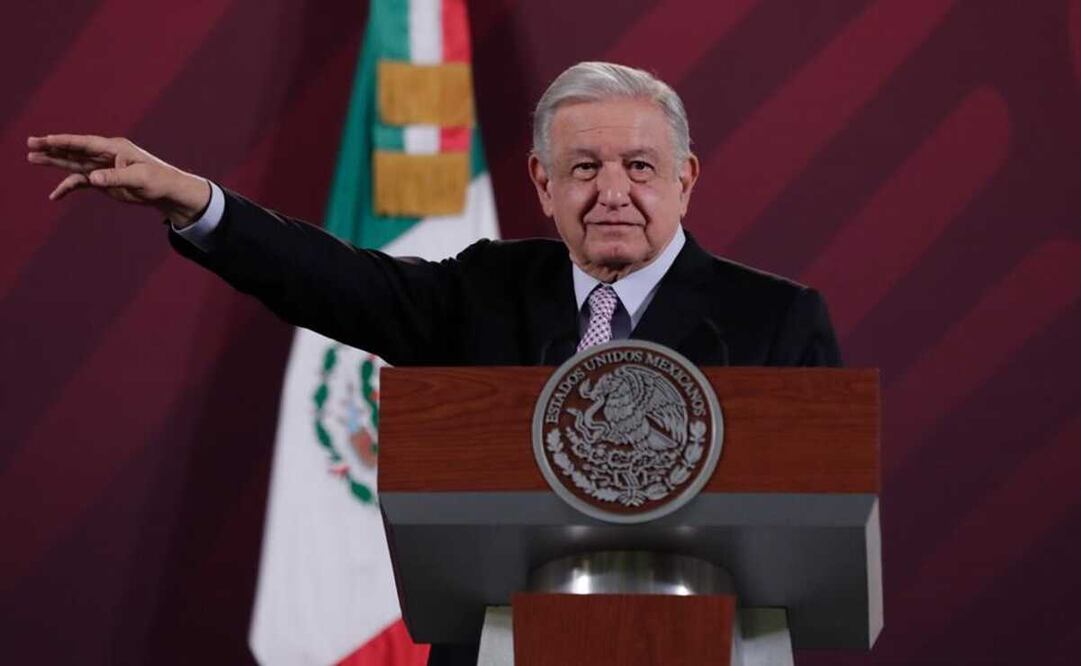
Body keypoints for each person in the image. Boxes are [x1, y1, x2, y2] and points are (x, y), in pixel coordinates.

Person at [27, 61, 840, 662]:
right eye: (584, 168)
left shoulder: (773, 320)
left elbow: (823, 529)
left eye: (639, 167)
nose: (613, 192)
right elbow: (338, 283)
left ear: (685, 180)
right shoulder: (485, 288)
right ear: (542, 183)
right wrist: (195, 203)